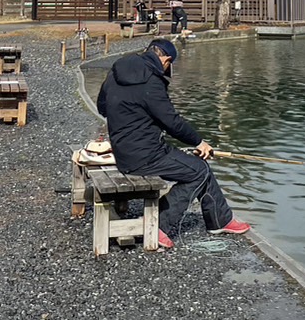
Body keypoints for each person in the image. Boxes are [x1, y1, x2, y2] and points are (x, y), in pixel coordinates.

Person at [96, 38, 251, 249]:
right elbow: (171, 121)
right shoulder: (151, 81)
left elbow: (102, 107)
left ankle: (220, 220)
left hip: (123, 151)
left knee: (199, 166)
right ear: (166, 60)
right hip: (144, 155)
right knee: (198, 170)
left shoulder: (117, 70)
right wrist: (199, 141)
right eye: (170, 66)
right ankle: (159, 225)